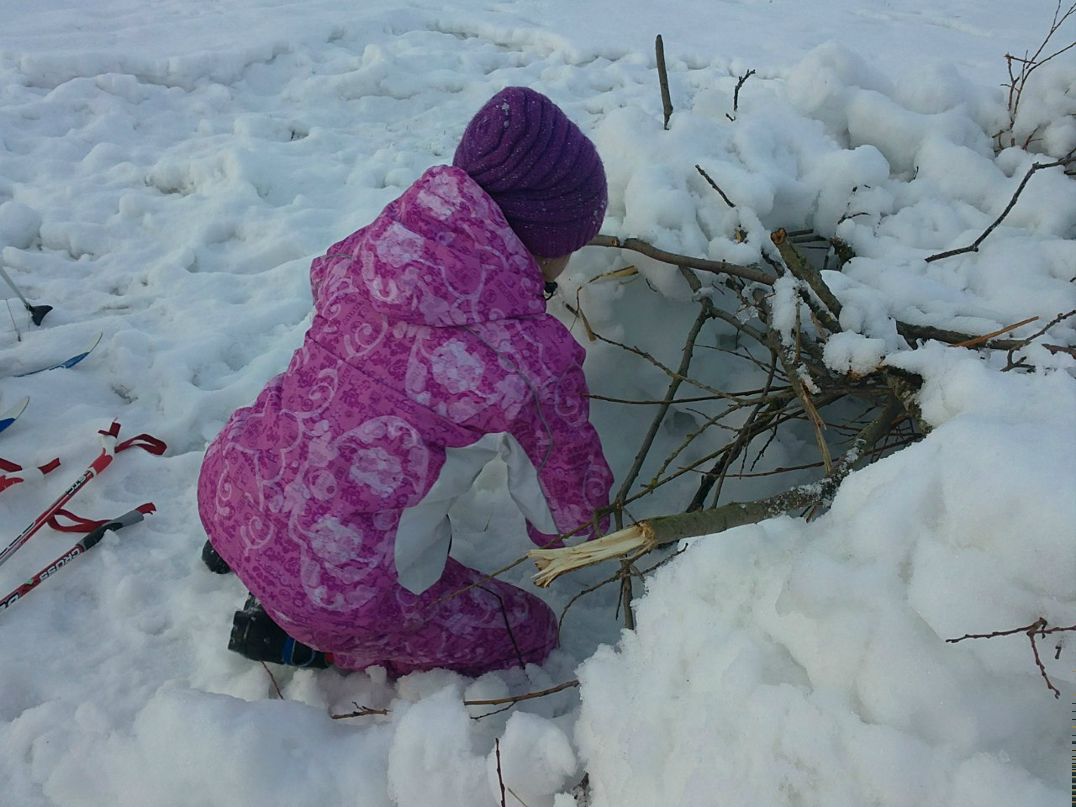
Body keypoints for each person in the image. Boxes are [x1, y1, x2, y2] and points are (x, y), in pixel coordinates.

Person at [196, 87, 613, 677]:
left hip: (229, 484)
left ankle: (248, 546)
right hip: (337, 591)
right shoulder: (532, 359)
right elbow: (565, 511)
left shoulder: (373, 251)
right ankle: (321, 641)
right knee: (530, 633)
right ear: (548, 243)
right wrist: (601, 539)